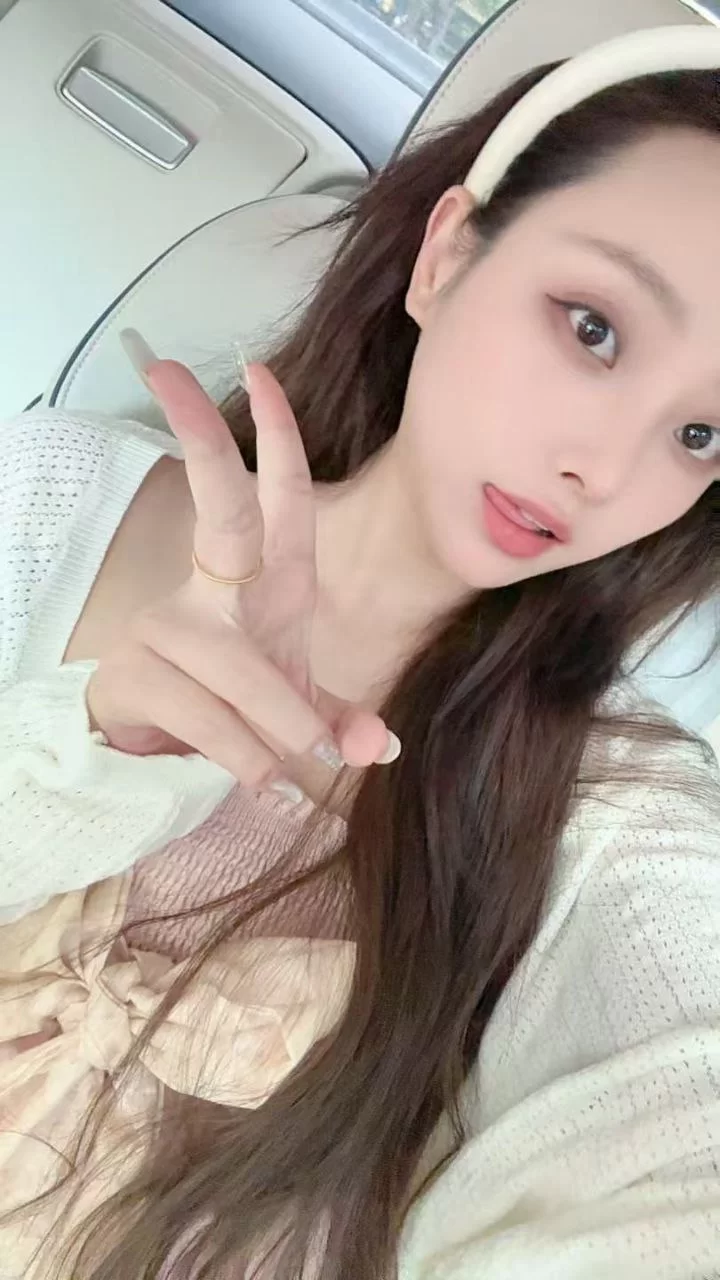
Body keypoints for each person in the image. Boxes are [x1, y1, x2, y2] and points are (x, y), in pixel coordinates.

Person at [1, 22, 720, 1280]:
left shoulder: (611, 812)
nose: (604, 468)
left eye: (704, 433)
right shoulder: (40, 497)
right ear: (446, 256)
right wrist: (93, 755)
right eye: (594, 328)